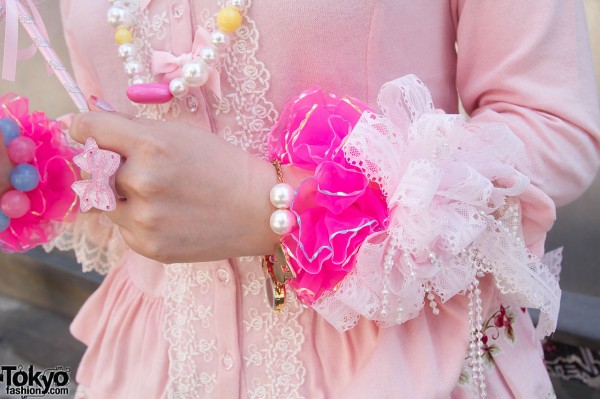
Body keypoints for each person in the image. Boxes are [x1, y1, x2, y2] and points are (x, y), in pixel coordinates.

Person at [5, 0, 600, 397]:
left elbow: (555, 127)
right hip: (149, 361)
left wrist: (278, 200)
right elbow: (120, 132)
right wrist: (40, 167)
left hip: (397, 364)